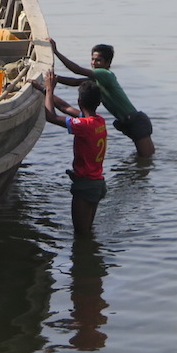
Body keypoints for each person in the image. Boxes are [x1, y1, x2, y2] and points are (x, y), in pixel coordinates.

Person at [49, 41, 154, 159]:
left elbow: (77, 70)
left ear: (108, 63)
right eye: (92, 59)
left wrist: (56, 52)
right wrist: (52, 79)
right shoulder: (97, 79)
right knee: (143, 159)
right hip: (128, 122)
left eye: (98, 60)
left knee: (146, 159)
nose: (93, 63)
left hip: (135, 122)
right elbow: (74, 82)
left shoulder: (105, 74)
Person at [45, 68, 107, 235]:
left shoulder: (83, 125)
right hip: (97, 184)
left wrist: (50, 90)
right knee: (88, 232)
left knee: (80, 236)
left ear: (80, 102)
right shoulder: (99, 121)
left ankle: (82, 260)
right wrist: (43, 90)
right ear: (98, 103)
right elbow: (65, 107)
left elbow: (51, 116)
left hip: (85, 185)